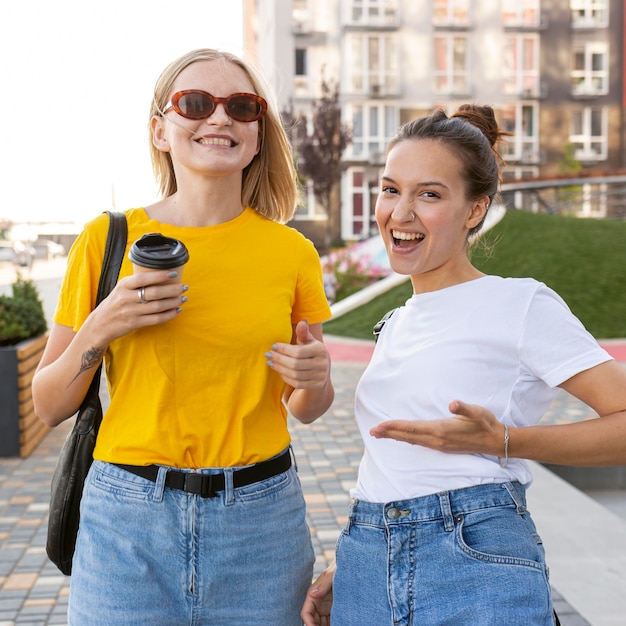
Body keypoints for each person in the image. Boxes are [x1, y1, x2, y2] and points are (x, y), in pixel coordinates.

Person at [32, 47, 334, 626]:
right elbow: (48, 405)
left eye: (242, 107)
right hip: (126, 523)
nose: (220, 119)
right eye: (195, 103)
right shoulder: (108, 239)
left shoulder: (290, 253)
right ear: (161, 130)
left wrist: (314, 380)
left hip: (262, 524)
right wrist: (102, 326)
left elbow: (308, 407)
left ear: (258, 134)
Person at [301, 104, 626, 626]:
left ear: (475, 209)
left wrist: (504, 442)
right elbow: (394, 468)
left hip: (474, 557)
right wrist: (364, 561)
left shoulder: (521, 304)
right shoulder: (395, 322)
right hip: (368, 558)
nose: (400, 213)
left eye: (429, 194)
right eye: (390, 189)